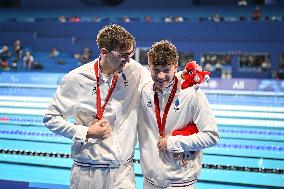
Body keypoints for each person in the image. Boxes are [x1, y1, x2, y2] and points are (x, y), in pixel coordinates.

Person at [43, 24, 151, 189]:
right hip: (89, 172)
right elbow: (51, 118)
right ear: (104, 52)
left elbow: (160, 84)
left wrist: (183, 78)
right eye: (122, 55)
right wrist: (85, 132)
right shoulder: (77, 79)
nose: (128, 59)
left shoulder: (135, 71)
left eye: (130, 53)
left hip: (123, 172)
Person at [137, 40, 220, 188]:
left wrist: (174, 142)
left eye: (166, 70)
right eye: (156, 70)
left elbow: (212, 136)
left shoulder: (191, 94)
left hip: (180, 183)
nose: (161, 76)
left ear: (175, 66)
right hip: (150, 182)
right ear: (149, 66)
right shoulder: (144, 92)